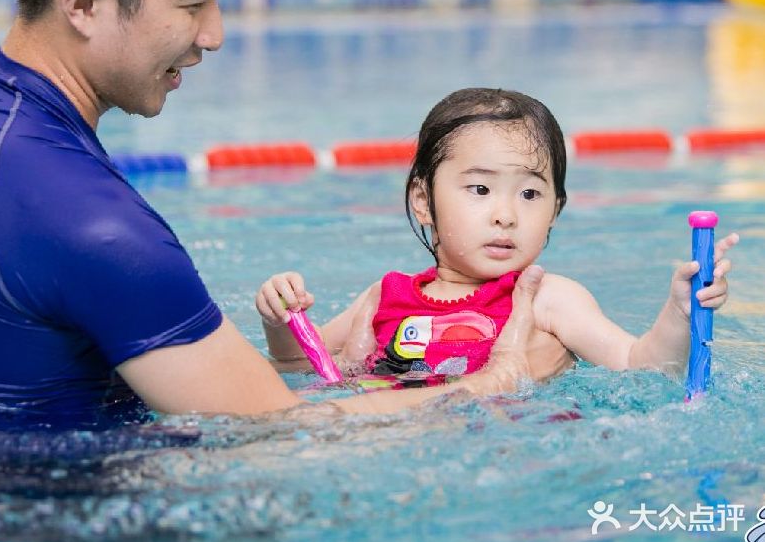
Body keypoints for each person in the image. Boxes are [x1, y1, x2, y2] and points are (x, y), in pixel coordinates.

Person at [0, 0, 544, 430]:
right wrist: (488, 384)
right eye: (194, 4)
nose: (213, 35)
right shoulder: (93, 225)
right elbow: (277, 436)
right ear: (86, 4)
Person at [257, 88, 739, 381]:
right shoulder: (385, 295)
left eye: (530, 195)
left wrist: (679, 311)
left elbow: (641, 365)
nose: (506, 214)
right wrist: (281, 320)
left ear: (556, 211)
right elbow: (301, 362)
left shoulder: (550, 299)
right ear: (423, 201)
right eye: (481, 189)